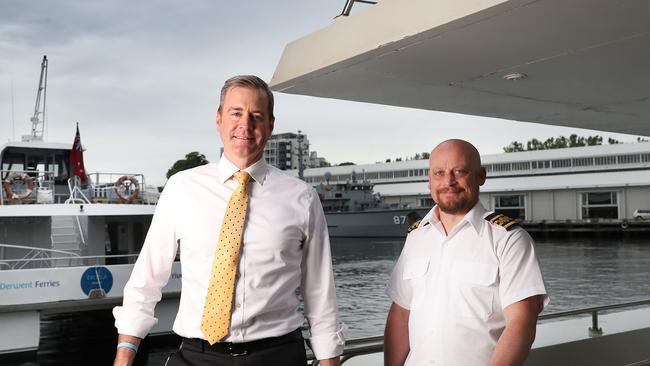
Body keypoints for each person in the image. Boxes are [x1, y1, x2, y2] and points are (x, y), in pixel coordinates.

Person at [113, 75, 345, 366]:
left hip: (278, 357)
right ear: (219, 119)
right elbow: (146, 280)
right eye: (236, 113)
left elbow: (320, 294)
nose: (244, 125)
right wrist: (124, 357)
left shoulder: (303, 198)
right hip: (197, 356)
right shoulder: (181, 188)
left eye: (256, 116)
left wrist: (330, 360)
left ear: (270, 125)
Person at [384, 139, 549, 366]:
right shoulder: (416, 238)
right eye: (439, 173)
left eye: (459, 171)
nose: (448, 181)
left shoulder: (508, 239)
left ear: (481, 176)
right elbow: (400, 315)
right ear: (429, 180)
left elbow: (522, 323)